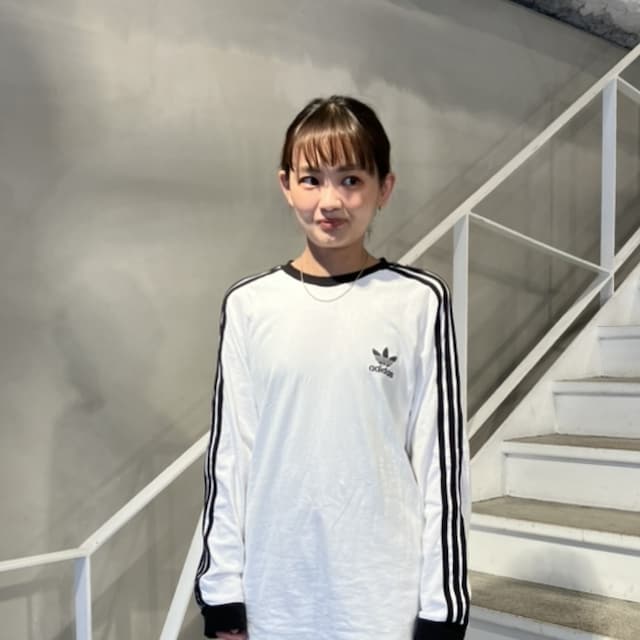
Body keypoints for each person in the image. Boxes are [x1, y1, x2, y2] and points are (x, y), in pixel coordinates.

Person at [194, 95, 470, 640]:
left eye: (351, 180)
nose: (330, 201)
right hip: (276, 597)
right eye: (311, 180)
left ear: (384, 188)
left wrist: (443, 608)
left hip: (383, 603)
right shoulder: (249, 305)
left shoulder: (419, 301)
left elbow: (440, 463)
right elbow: (231, 459)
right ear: (286, 185)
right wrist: (223, 593)